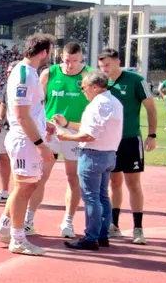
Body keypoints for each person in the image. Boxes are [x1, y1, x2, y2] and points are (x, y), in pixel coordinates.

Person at [0, 33, 55, 256]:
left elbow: (32, 110)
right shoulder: (25, 73)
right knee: (24, 187)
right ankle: (17, 238)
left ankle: (5, 229)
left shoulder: (29, 72)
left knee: (26, 186)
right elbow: (21, 114)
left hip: (28, 136)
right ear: (44, 52)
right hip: (24, 139)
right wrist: (41, 144)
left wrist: (44, 125)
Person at [52, 72, 124, 251]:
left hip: (93, 154)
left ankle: (91, 237)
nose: (83, 91)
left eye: (83, 87)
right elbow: (91, 128)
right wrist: (68, 124)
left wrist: (65, 136)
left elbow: (89, 135)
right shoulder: (114, 102)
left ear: (94, 87)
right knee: (102, 196)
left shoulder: (97, 104)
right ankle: (101, 235)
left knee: (91, 197)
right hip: (109, 153)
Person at [97, 48, 157, 244]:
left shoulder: (136, 80)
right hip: (110, 142)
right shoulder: (102, 82)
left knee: (133, 184)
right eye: (101, 66)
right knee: (114, 183)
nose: (104, 69)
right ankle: (114, 225)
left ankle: (138, 228)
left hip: (131, 139)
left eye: (107, 65)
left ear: (117, 62)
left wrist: (152, 135)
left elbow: (151, 108)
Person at [34, 42, 90, 239]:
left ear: (81, 58)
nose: (70, 65)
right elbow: (37, 103)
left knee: (73, 177)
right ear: (61, 57)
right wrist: (45, 124)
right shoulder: (49, 73)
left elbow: (95, 110)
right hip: (50, 131)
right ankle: (28, 219)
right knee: (40, 176)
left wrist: (71, 124)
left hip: (75, 132)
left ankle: (68, 221)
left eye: (74, 61)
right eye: (67, 60)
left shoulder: (88, 76)